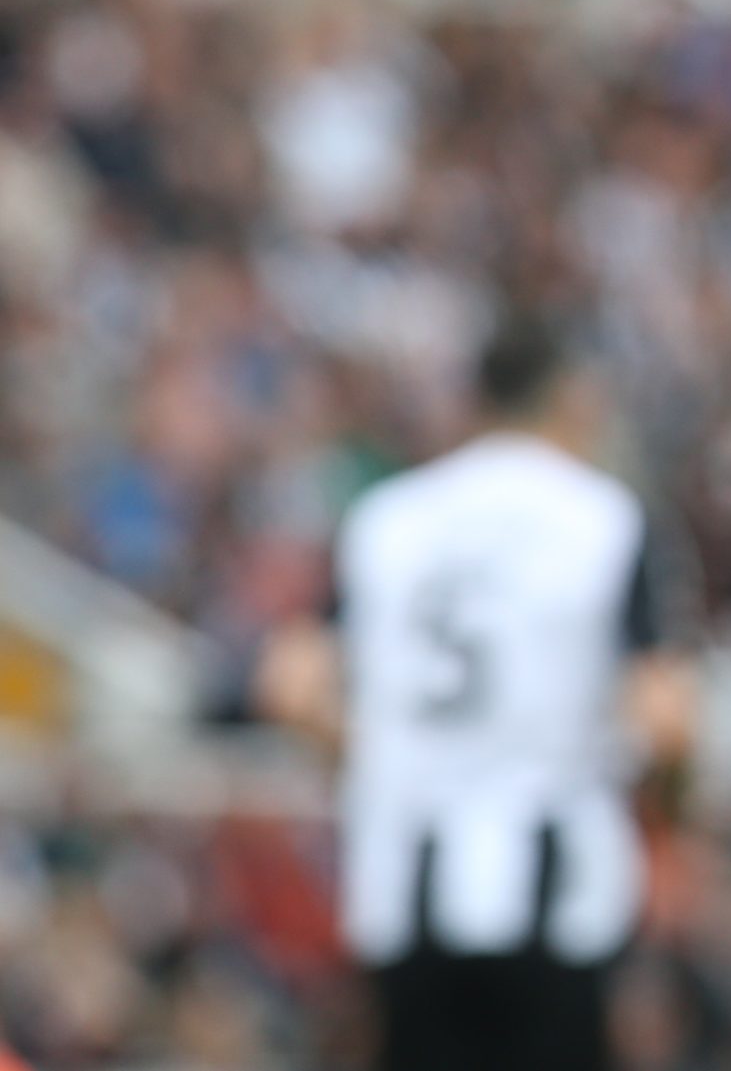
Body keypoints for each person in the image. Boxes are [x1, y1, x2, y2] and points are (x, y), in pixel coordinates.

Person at [259, 315, 695, 1071]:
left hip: (407, 873)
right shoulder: (604, 518)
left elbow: (290, 684)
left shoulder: (391, 517)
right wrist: (666, 806)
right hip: (557, 878)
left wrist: (378, 758)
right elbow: (667, 719)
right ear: (570, 399)